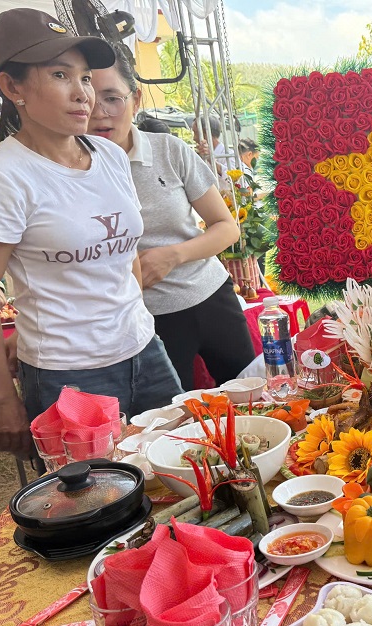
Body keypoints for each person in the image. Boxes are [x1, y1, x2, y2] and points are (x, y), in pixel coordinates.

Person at [0, 8, 182, 458]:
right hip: (69, 374)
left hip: (145, 349)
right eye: (60, 75)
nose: (83, 94)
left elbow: (127, 256)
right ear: (13, 87)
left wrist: (131, 320)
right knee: (101, 496)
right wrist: (2, 399)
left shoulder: (109, 155)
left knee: (182, 472)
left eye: (85, 78)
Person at [88, 51, 255, 390]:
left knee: (251, 394)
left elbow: (226, 227)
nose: (99, 112)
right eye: (88, 99)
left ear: (135, 99)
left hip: (211, 297)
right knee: (171, 413)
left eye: (112, 98)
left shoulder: (169, 150)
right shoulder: (75, 170)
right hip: (146, 319)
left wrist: (173, 255)